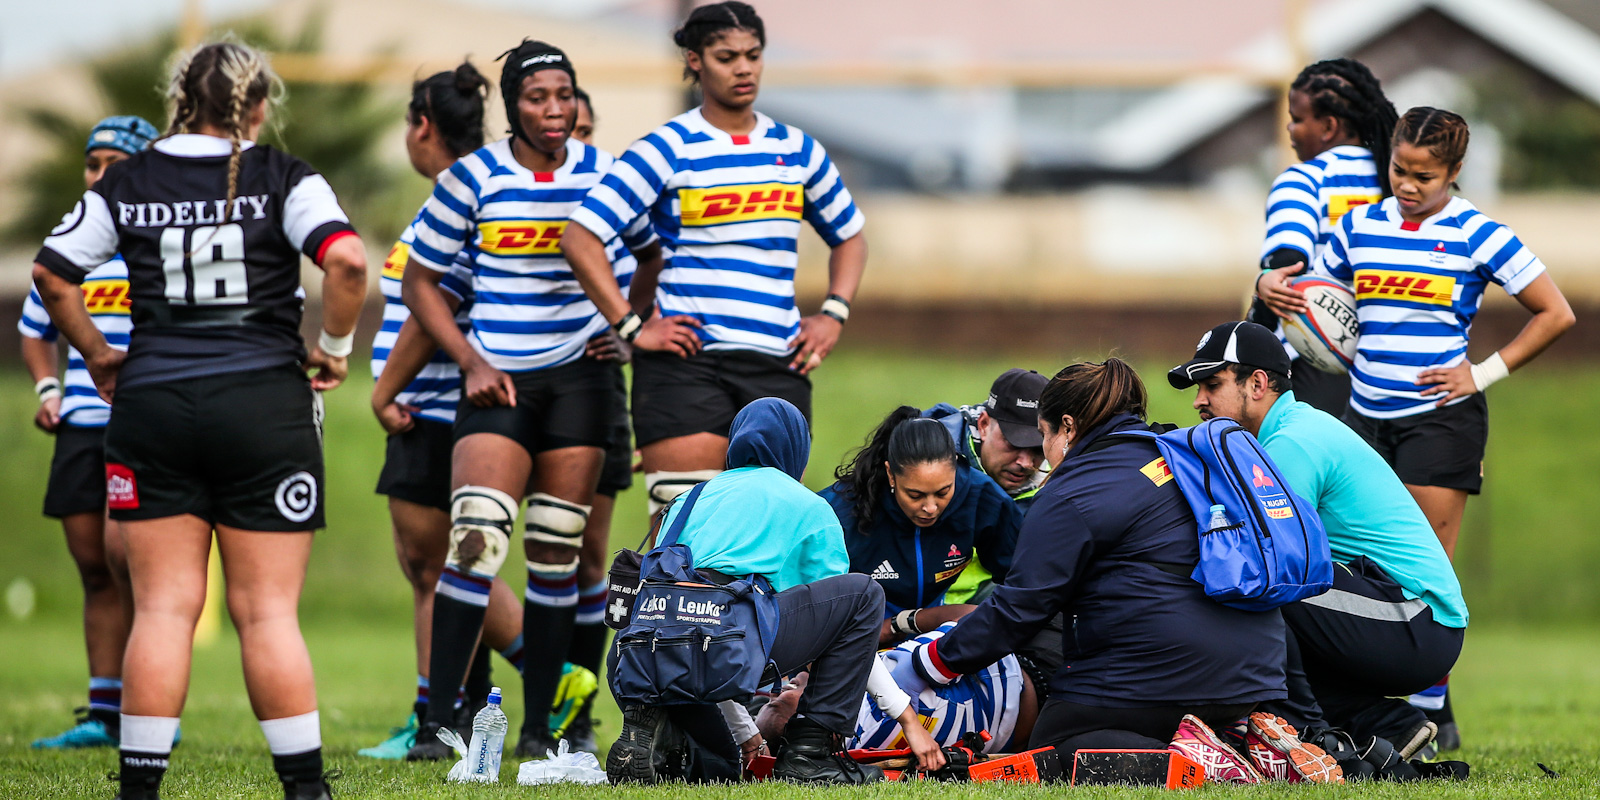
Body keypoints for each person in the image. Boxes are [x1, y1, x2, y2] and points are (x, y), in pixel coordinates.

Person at [29, 40, 367, 800]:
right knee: (267, 613)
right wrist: (335, 348)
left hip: (152, 405)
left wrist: (97, 356)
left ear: (178, 98)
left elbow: (51, 271)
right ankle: (305, 790)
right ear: (258, 107)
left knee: (161, 609)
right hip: (263, 406)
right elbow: (347, 262)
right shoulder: (284, 176)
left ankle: (139, 789)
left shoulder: (130, 179)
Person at [1257, 107, 1576, 748]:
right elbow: (1316, 295)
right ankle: (1381, 708)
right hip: (1363, 417)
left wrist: (1481, 374)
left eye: (1423, 176)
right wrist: (1270, 286)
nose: (1406, 184)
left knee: (1427, 576)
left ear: (1454, 172)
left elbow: (1555, 313)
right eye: (1398, 170)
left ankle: (1431, 720)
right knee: (1352, 563)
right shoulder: (1359, 225)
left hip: (1441, 420)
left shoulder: (1478, 233)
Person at [400, 39, 653, 760]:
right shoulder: (473, 177)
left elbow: (652, 252)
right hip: (498, 383)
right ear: (512, 105)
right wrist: (469, 360)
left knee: (555, 553)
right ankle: (439, 725)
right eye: (538, 97)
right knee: (474, 541)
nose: (554, 109)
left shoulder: (605, 172)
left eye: (564, 95)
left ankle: (543, 729)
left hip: (579, 384)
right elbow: (420, 281)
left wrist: (626, 329)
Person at [902, 359, 1290, 785]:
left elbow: (1020, 608)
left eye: (1043, 435)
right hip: (1256, 673)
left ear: (1067, 428)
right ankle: (1234, 740)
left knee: (1056, 747)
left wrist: (930, 663)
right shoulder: (1179, 453)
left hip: (1169, 673)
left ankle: (1199, 761)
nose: (1042, 455)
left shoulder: (1074, 489)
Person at [561, 1, 868, 520]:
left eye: (753, 54)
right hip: (686, 366)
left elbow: (851, 236)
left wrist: (833, 313)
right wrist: (633, 328)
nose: (744, 68)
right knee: (682, 531)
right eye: (727, 57)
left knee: (766, 532)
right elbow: (581, 237)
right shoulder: (666, 147)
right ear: (695, 60)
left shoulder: (796, 149)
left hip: (776, 363)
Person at [1170, 320, 1467, 767]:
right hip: (1406, 621)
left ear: (1257, 384)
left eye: (1212, 385)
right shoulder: (1286, 432)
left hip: (1418, 622)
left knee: (1258, 586)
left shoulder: (1292, 442)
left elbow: (1265, 557)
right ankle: (1388, 724)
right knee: (1255, 591)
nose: (1199, 400)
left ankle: (1308, 736)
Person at [609, 398, 942, 785]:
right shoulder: (808, 506)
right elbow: (850, 628)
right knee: (862, 596)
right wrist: (907, 718)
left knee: (721, 769)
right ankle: (809, 754)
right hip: (722, 645)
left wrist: (747, 735)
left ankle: (656, 728)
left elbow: (695, 620)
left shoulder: (688, 499)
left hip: (641, 656)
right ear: (797, 450)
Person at [361, 61, 532, 760]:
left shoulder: (462, 198)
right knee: (436, 568)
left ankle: (550, 683)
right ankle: (450, 707)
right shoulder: (462, 193)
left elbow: (433, 309)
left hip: (433, 410)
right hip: (429, 408)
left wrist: (384, 391)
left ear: (422, 126)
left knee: (444, 568)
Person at [20, 115, 157, 750]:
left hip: (141, 425)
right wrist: (48, 389)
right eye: (92, 163)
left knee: (125, 558)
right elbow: (35, 328)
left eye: (114, 164)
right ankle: (104, 715)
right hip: (80, 425)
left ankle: (149, 709)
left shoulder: (160, 241)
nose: (100, 175)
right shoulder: (71, 243)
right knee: (94, 569)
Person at [1250, 58, 1397, 416]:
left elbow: (1287, 264)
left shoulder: (1302, 180)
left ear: (1329, 126)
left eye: (1297, 118)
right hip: (1391, 361)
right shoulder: (1399, 182)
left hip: (1314, 358)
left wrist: (1252, 331)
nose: (1290, 128)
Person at [819, 407, 1020, 640]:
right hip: (856, 635)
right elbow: (812, 609)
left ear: (955, 466)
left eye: (944, 492)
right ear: (891, 475)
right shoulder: (837, 512)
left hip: (929, 629)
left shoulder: (981, 495)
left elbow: (1020, 581)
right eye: (915, 495)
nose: (930, 508)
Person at [923, 367, 1048, 604]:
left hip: (983, 604)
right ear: (983, 424)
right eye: (1014, 444)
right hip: (907, 605)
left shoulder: (1058, 482)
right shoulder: (922, 461)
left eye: (1037, 449)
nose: (1025, 463)